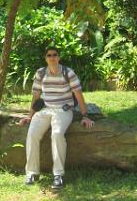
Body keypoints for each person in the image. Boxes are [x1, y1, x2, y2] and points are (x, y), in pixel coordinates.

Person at [19, 46, 94, 189]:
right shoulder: (40, 73)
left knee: (57, 134)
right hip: (45, 110)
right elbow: (35, 96)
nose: (52, 57)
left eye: (54, 55)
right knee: (32, 134)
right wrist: (30, 115)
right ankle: (32, 172)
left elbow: (78, 95)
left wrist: (85, 116)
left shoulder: (68, 73)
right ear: (45, 58)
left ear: (58, 57)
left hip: (63, 110)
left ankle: (58, 175)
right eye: (49, 55)